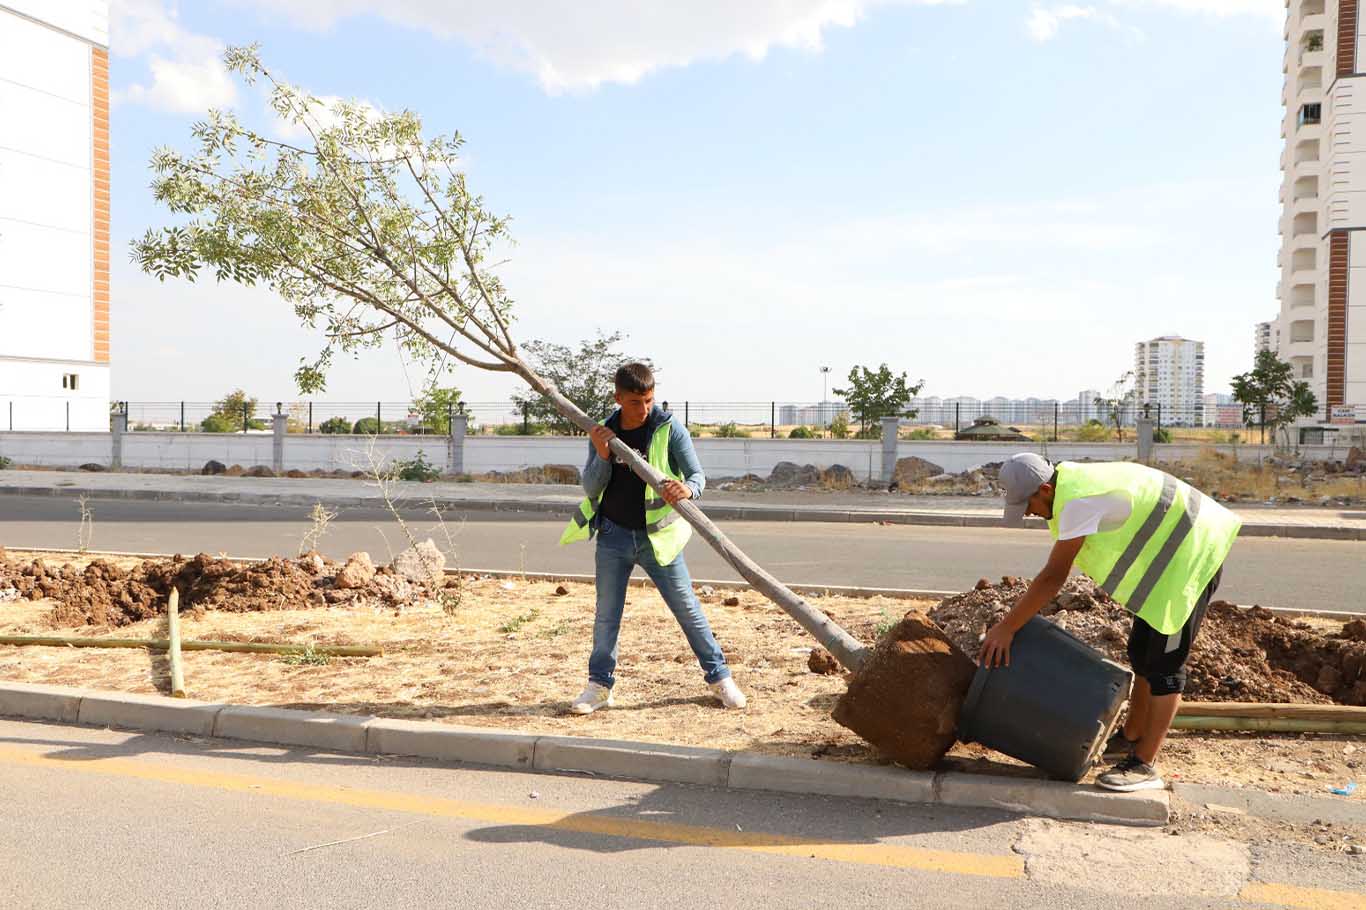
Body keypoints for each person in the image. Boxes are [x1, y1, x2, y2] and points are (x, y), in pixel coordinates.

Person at [981, 453, 1240, 792]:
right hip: (1168, 562)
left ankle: (1145, 765)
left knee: (1164, 666)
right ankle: (1132, 736)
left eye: (1027, 504)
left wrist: (1007, 627)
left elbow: (1053, 577)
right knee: (1141, 652)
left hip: (1191, 556)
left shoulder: (1077, 501)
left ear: (1045, 489)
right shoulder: (1070, 484)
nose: (1028, 513)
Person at [559, 362, 746, 714]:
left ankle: (720, 678)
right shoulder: (602, 433)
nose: (643, 409)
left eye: (648, 400)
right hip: (612, 537)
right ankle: (600, 687)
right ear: (618, 398)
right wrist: (602, 456)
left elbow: (697, 476)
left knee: (688, 610)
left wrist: (687, 490)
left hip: (659, 540)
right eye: (635, 402)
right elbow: (590, 487)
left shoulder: (669, 427)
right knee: (606, 616)